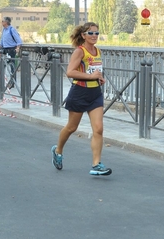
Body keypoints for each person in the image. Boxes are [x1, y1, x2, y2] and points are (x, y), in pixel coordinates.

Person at [51, 22, 112, 176]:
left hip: (95, 94)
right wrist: (90, 76)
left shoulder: (98, 51)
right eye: (90, 33)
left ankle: (96, 164)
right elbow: (70, 72)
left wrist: (99, 78)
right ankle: (58, 151)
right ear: (83, 35)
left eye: (96, 33)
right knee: (72, 127)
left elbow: (93, 71)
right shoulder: (80, 51)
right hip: (79, 93)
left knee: (98, 128)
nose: (94, 36)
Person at [0, 17, 22, 87]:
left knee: (12, 67)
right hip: (5, 49)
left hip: (11, 49)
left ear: (6, 22)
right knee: (2, 64)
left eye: (2, 21)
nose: (1, 22)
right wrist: (0, 46)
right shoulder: (4, 30)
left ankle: (12, 83)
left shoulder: (11, 30)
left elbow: (18, 40)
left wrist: (18, 48)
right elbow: (2, 39)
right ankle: (2, 80)